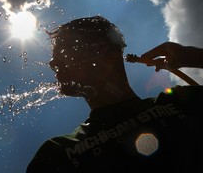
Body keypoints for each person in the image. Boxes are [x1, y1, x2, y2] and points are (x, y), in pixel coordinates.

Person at [26, 16, 203, 173]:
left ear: (101, 50)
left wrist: (193, 56)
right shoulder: (57, 153)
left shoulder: (182, 103)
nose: (52, 62)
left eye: (65, 50)